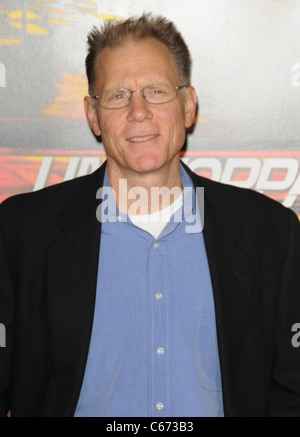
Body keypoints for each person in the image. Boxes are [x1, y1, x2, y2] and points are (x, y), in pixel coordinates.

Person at [0, 13, 300, 418]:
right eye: (118, 95)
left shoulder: (271, 234)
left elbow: (290, 391)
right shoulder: (21, 232)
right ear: (93, 116)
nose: (138, 111)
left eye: (157, 91)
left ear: (188, 105)